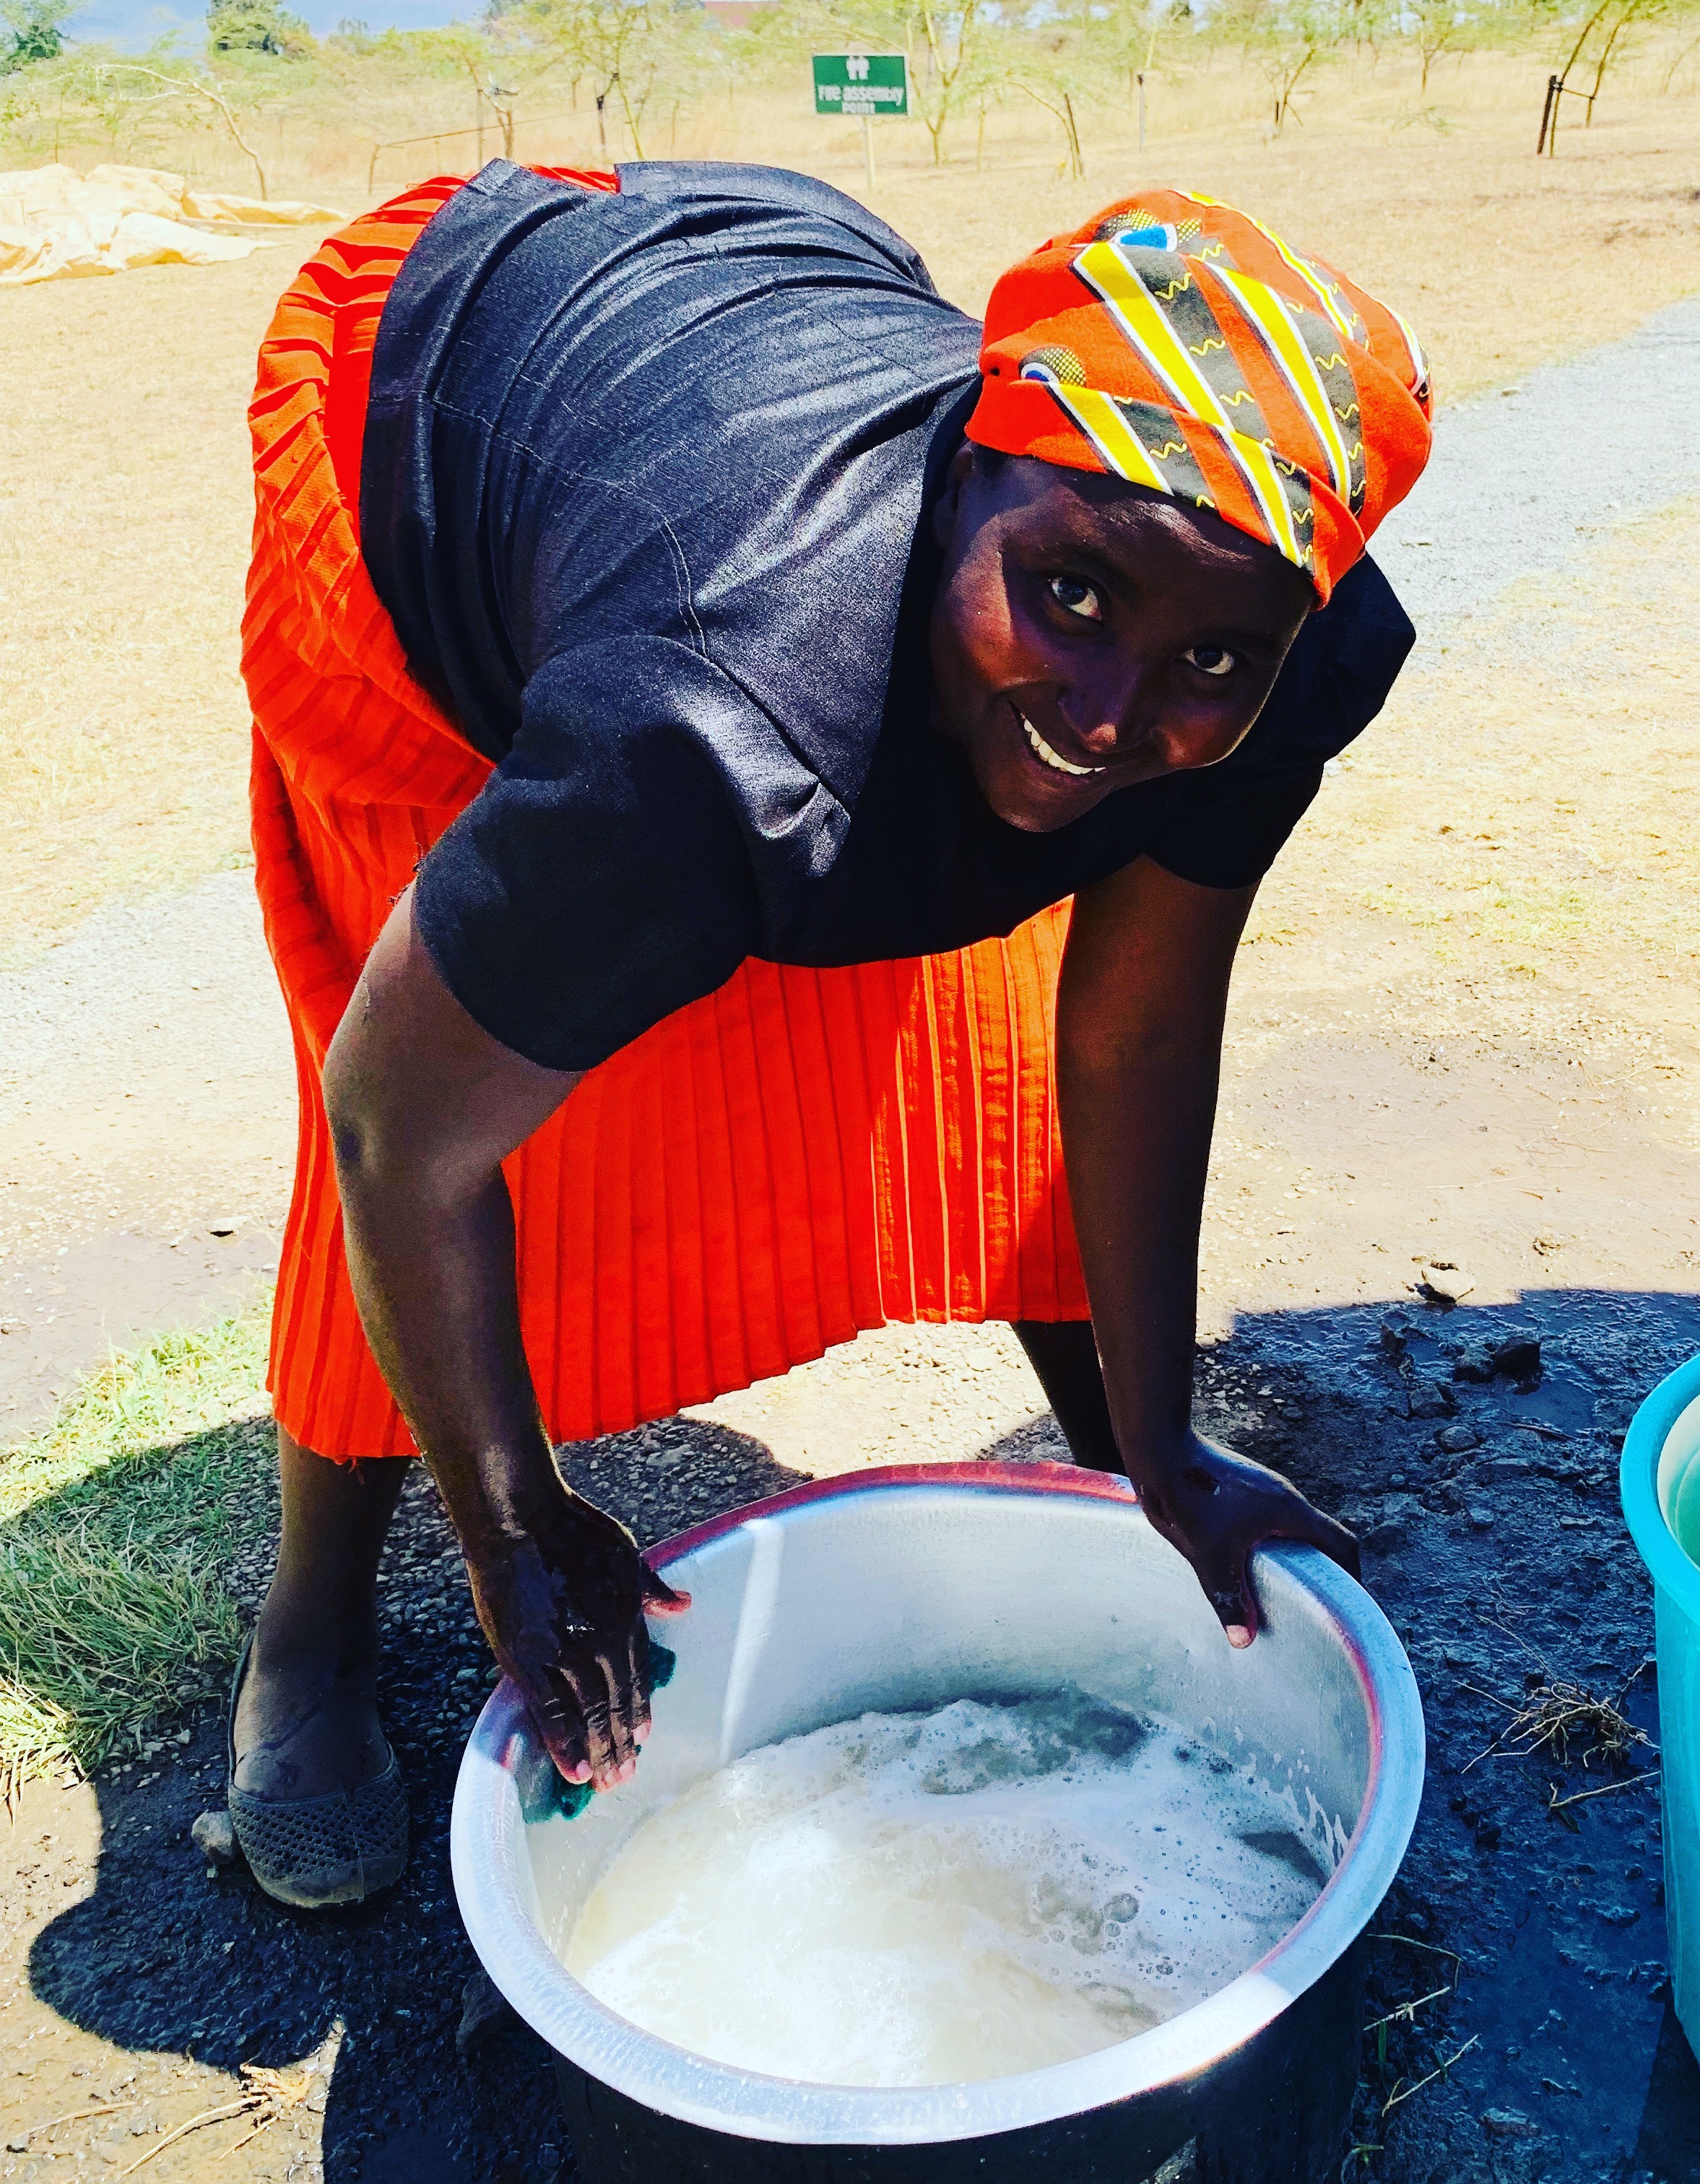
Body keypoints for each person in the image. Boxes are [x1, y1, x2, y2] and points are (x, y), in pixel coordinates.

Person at [231, 160, 1434, 1907]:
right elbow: (393, 1130)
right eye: (1071, 594)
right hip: (427, 413)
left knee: (979, 1037)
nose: (1110, 716)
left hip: (764, 322)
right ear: (966, 472)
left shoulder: (1298, 640)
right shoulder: (703, 721)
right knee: (459, 1056)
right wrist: (514, 1532)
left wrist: (1166, 1445)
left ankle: (1114, 1449)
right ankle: (311, 1625)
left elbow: (1136, 1035)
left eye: (1209, 663)